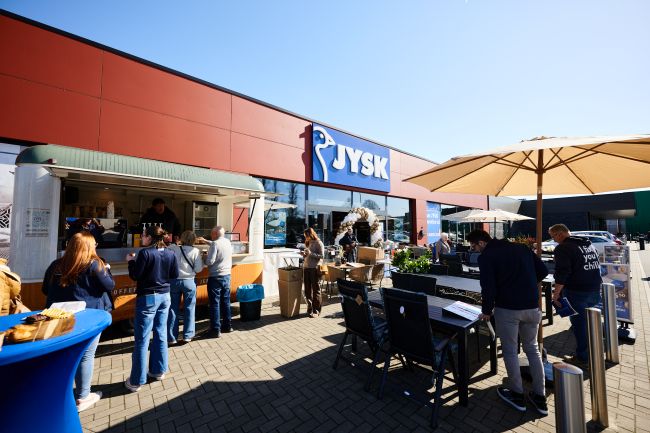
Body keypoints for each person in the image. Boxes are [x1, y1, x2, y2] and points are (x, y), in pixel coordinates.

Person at [467, 229, 548, 415]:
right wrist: (525, 284)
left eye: (474, 246)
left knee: (510, 351)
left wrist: (486, 311)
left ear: (481, 242)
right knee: (533, 350)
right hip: (532, 306)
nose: (474, 250)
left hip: (508, 309)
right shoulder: (522, 248)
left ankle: (517, 394)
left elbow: (488, 287)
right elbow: (543, 271)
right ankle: (540, 397)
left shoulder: (486, 257)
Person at [41, 231, 115, 412]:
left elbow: (45, 289)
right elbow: (110, 285)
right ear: (89, 246)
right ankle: (83, 396)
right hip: (89, 317)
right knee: (86, 355)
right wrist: (107, 269)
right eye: (94, 244)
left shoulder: (56, 265)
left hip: (59, 318)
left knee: (64, 355)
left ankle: (59, 393)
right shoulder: (95, 264)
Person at [125, 226, 178, 392]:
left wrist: (130, 261)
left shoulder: (145, 253)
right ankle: (158, 371)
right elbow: (174, 275)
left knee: (142, 338)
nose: (141, 237)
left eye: (143, 235)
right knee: (161, 333)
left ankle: (136, 381)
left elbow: (135, 275)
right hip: (165, 296)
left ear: (149, 237)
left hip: (148, 297)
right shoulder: (171, 253)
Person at [549, 223, 602, 367]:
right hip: (594, 290)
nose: (554, 240)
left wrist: (556, 294)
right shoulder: (588, 245)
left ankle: (583, 357)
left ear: (560, 234)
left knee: (580, 326)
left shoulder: (563, 248)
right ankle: (595, 352)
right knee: (591, 324)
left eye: (553, 236)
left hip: (577, 292)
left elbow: (562, 274)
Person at [167, 230, 204, 344]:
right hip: (189, 281)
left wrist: (177, 243)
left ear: (181, 239)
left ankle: (172, 337)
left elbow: (167, 249)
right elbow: (198, 269)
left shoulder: (174, 248)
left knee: (172, 309)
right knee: (189, 308)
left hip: (174, 282)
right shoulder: (195, 251)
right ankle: (187, 335)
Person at [204, 225, 233, 337]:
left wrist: (204, 257)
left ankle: (215, 329)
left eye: (212, 233)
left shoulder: (215, 244)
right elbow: (216, 244)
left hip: (215, 276)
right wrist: (206, 241)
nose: (211, 235)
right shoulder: (227, 242)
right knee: (226, 302)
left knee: (214, 304)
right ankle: (228, 326)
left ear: (215, 234)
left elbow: (210, 262)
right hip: (227, 275)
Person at [302, 228, 324, 318]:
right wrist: (304, 254)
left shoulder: (319, 243)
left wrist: (310, 253)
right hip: (306, 268)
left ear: (311, 234)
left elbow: (322, 256)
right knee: (307, 290)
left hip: (314, 268)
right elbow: (308, 255)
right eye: (305, 236)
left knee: (316, 290)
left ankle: (316, 310)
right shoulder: (308, 242)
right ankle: (310, 308)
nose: (306, 238)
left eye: (306, 236)